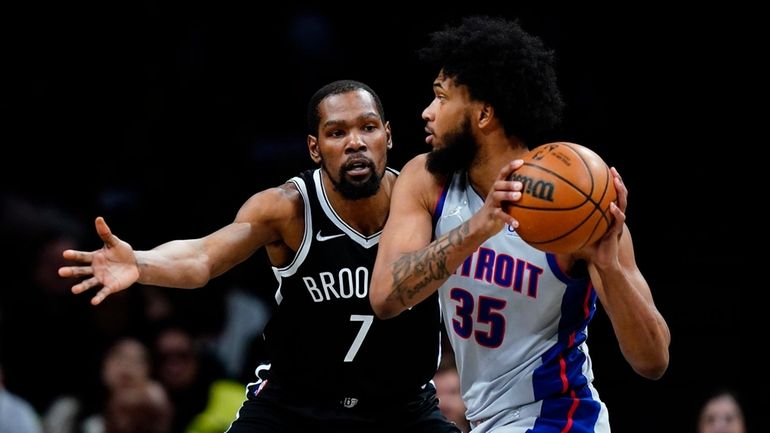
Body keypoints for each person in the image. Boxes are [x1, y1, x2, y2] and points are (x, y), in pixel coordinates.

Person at [59, 79, 460, 433]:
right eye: (337, 132)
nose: (355, 141)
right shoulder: (287, 209)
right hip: (294, 408)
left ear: (387, 136)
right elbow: (203, 257)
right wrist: (141, 263)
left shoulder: (427, 200)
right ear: (315, 148)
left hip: (402, 409)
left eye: (368, 127)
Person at [369, 16, 671, 433]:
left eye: (441, 98)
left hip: (559, 417)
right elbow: (385, 297)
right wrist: (480, 226)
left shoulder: (576, 202)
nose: (427, 112)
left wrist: (608, 265)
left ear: (484, 114)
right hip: (487, 420)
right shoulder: (427, 180)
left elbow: (653, 361)